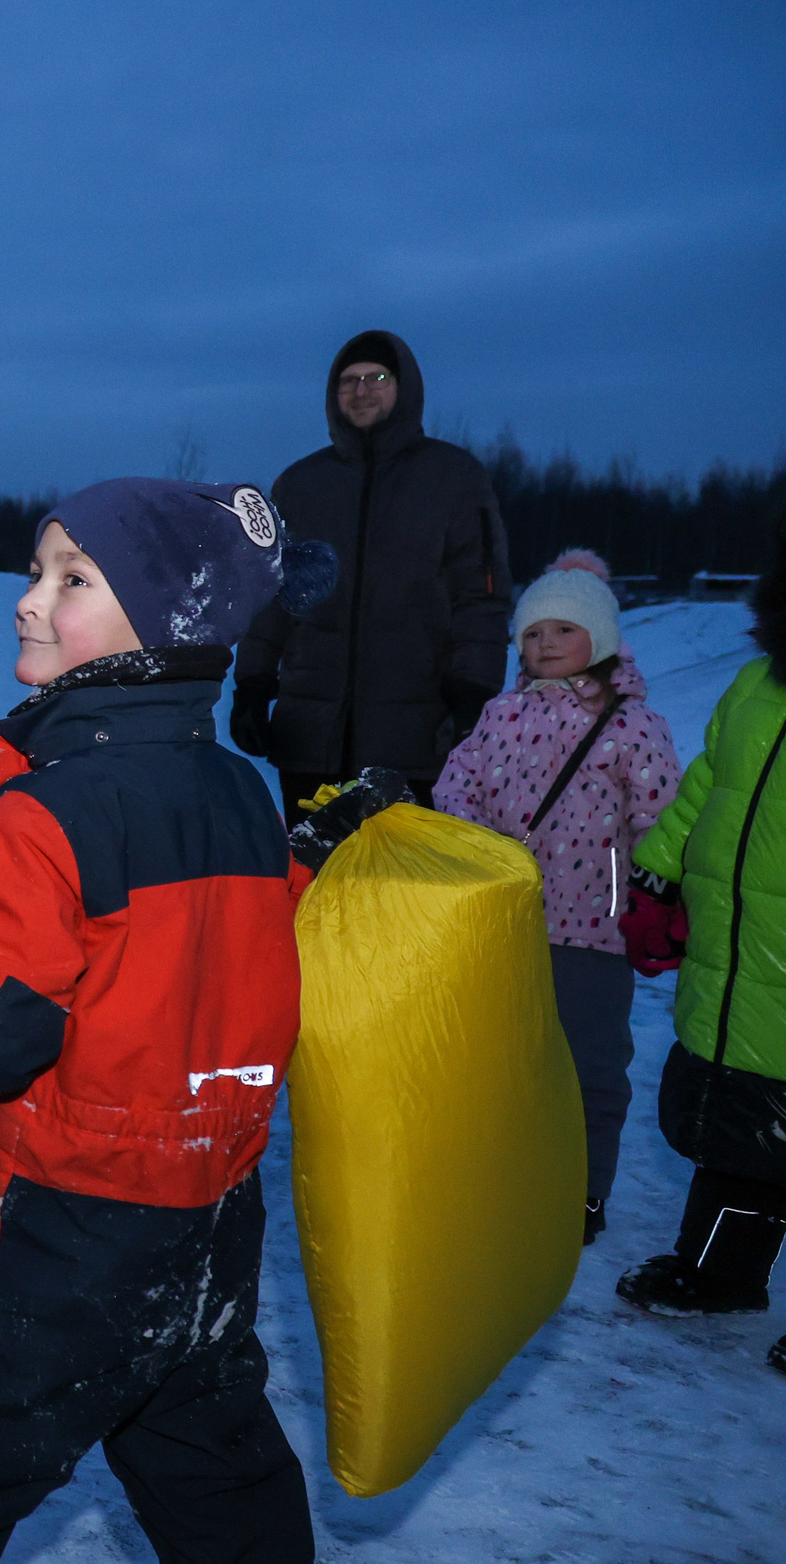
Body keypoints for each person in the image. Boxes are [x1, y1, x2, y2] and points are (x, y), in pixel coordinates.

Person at [0, 478, 330, 1563]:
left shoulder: (38, 818)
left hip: (58, 1235)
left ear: (158, 629)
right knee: (217, 1478)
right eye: (33, 570)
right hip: (208, 1214)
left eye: (71, 578)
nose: (26, 599)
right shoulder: (242, 794)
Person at [433, 551, 680, 1245]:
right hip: (505, 919)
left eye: (562, 631)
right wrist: (472, 844)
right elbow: (458, 788)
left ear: (598, 639)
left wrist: (655, 890)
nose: (544, 645)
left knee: (590, 1066)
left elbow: (661, 813)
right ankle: (507, 1175)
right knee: (505, 1059)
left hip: (595, 929)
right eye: (532, 633)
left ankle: (582, 1189)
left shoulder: (633, 725)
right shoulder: (500, 714)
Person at [616, 526, 786, 1377]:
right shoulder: (755, 681)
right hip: (734, 949)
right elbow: (707, 784)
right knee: (741, 1122)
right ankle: (721, 1272)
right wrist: (658, 870)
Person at [234, 329, 511, 821]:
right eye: (348, 381)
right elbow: (270, 598)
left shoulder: (453, 478)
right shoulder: (299, 484)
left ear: (404, 387)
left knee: (401, 894)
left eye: (376, 378)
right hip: (310, 738)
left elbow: (481, 598)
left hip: (417, 739)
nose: (360, 391)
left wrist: (473, 696)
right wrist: (252, 687)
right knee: (313, 888)